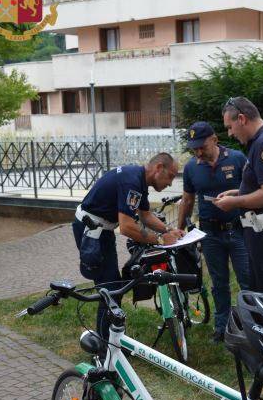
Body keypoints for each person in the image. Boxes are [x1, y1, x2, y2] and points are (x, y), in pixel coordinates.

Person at [72, 152, 183, 338]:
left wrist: (167, 230)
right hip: (91, 232)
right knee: (110, 291)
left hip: (102, 230)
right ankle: (105, 347)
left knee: (112, 287)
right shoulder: (132, 182)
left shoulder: (138, 179)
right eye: (171, 176)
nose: (171, 183)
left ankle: (110, 339)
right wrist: (162, 240)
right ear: (158, 168)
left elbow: (145, 215)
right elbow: (126, 227)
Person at [215, 97, 263, 298]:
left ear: (241, 118)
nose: (230, 133)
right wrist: (238, 192)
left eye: (230, 126)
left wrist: (235, 202)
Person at [177, 121, 250, 343]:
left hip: (238, 230)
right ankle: (222, 327)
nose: (198, 152)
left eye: (202, 146)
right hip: (210, 234)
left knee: (247, 280)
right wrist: (179, 229)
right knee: (219, 283)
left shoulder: (237, 159)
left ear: (214, 140)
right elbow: (188, 200)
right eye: (194, 148)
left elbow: (252, 189)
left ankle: (250, 327)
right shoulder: (191, 168)